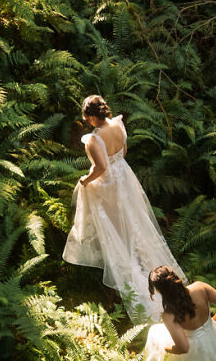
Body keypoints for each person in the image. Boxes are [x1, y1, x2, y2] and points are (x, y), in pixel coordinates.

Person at [63, 95, 185, 323]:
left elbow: (100, 167)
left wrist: (85, 181)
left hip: (108, 185)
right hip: (125, 178)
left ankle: (130, 281)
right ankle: (158, 276)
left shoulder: (93, 139)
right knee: (133, 222)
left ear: (89, 116)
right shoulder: (118, 125)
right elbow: (123, 152)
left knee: (115, 231)